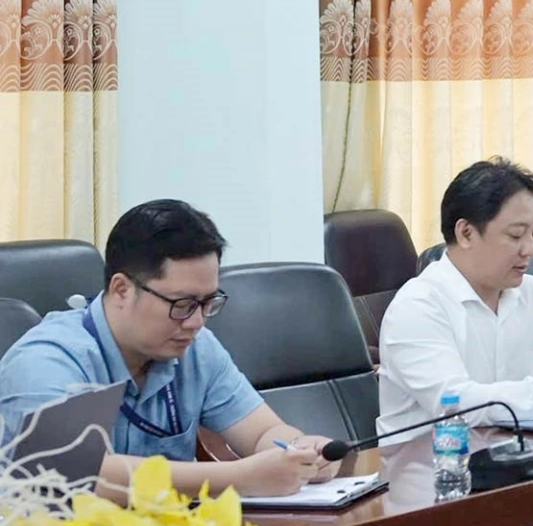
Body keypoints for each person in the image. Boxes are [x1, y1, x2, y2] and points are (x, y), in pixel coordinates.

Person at [0, 200, 339, 496]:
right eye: (182, 304)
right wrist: (239, 477)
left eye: (208, 303)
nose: (196, 321)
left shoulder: (194, 346)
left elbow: (263, 431)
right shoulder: (48, 360)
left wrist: (299, 451)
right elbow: (74, 476)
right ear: (121, 290)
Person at [378, 159, 533, 440]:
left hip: (516, 460)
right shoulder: (417, 307)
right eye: (516, 235)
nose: (530, 249)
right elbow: (457, 406)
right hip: (429, 470)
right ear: (465, 233)